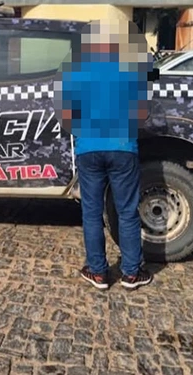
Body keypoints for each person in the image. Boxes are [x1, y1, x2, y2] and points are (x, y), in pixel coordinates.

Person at [55, 19, 152, 290]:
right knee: (127, 212)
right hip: (122, 148)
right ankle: (131, 273)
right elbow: (144, 112)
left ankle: (98, 272)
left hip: (89, 148)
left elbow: (64, 113)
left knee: (92, 212)